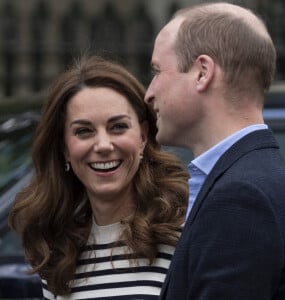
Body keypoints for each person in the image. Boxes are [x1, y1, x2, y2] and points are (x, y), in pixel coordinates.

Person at [144, 2, 285, 300]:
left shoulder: (241, 197)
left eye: (157, 71)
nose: (148, 92)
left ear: (202, 73)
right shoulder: (256, 177)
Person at [9, 55, 189, 299]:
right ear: (64, 148)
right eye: (84, 131)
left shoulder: (184, 233)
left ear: (143, 137)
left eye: (118, 127)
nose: (103, 145)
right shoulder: (57, 253)